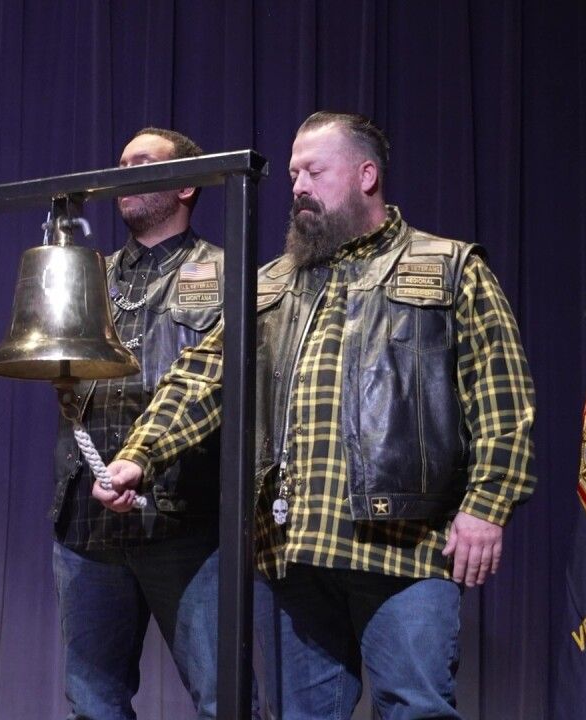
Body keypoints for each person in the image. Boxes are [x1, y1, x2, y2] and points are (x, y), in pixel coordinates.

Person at [97, 111, 537, 719]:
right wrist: (138, 456)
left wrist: (487, 506)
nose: (298, 185)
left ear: (365, 174)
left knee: (416, 709)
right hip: (293, 548)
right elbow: (202, 377)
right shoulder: (272, 283)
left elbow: (502, 397)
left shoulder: (447, 267)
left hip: (405, 545)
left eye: (314, 170)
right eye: (294, 172)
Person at [51, 127, 224, 719]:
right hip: (88, 519)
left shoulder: (232, 276)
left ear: (185, 185)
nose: (125, 173)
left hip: (189, 522)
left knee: (225, 700)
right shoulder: (90, 275)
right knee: (92, 702)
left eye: (143, 164)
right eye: (120, 163)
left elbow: (215, 388)